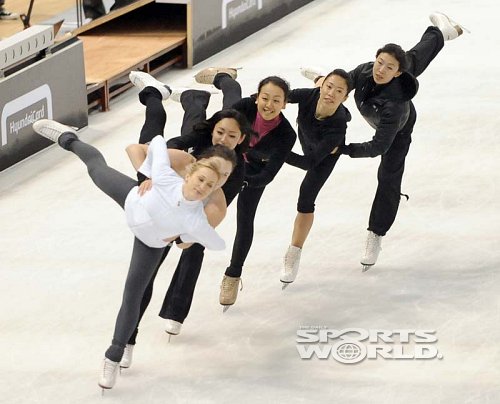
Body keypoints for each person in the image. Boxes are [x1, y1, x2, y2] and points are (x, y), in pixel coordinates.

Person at [31, 117, 237, 391]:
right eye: (206, 175)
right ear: (193, 170)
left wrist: (184, 236)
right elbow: (150, 144)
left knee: (133, 293)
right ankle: (68, 139)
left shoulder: (206, 210)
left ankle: (114, 354)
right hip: (133, 200)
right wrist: (148, 176)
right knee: (96, 169)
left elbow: (211, 242)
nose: (207, 184)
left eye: (218, 179)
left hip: (150, 242)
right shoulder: (168, 173)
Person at [302, 12, 468, 271]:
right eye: (380, 62)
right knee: (413, 58)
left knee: (389, 176)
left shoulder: (396, 109)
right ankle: (440, 32)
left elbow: (378, 146)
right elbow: (344, 82)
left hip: (396, 132)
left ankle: (376, 233)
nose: (381, 70)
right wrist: (323, 82)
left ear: (396, 73)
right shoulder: (368, 70)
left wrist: (344, 149)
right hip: (399, 77)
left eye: (389, 67)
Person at [118, 70, 254, 358]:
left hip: (192, 209)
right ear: (213, 131)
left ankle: (176, 311)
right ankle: (156, 93)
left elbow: (217, 211)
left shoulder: (235, 170)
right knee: (156, 128)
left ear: (242, 139)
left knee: (194, 249)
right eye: (220, 132)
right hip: (163, 185)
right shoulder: (199, 138)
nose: (225, 138)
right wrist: (151, 174)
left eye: (232, 136)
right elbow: (156, 150)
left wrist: (187, 233)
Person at [195, 69, 297, 309]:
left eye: (276, 100)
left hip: (251, 174)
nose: (269, 104)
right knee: (230, 98)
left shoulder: (286, 134)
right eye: (265, 98)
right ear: (257, 97)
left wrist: (245, 181)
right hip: (227, 161)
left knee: (245, 220)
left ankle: (233, 274)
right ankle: (223, 77)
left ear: (285, 103)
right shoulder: (244, 108)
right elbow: (212, 127)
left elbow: (268, 174)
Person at [281, 69, 353, 287]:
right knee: (316, 89)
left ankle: (294, 252)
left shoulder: (337, 128)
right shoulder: (310, 95)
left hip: (322, 155)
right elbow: (281, 96)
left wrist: (276, 151)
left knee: (305, 198)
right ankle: (319, 77)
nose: (331, 93)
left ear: (345, 97)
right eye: (328, 87)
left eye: (339, 91)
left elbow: (308, 163)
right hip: (306, 134)